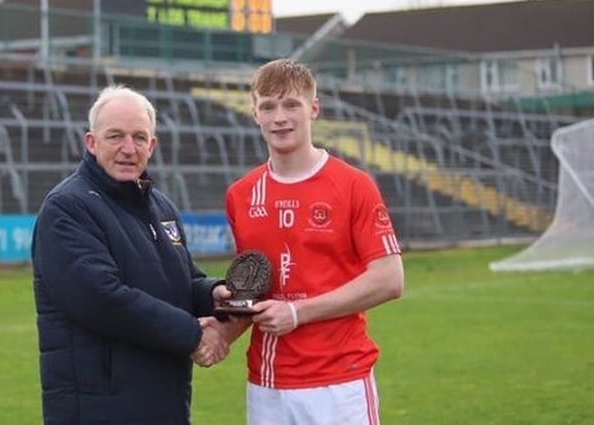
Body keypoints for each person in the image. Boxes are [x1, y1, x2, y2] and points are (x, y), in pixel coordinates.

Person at [31, 85, 231, 425]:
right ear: (91, 143)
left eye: (139, 137)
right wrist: (194, 335)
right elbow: (101, 299)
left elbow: (182, 281)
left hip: (163, 402)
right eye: (115, 136)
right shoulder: (67, 208)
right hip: (99, 410)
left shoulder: (159, 205)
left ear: (152, 146)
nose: (128, 148)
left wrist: (218, 295)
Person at [223, 58, 405, 425]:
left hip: (340, 382)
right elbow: (254, 292)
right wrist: (221, 332)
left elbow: (389, 279)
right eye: (268, 106)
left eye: (292, 104)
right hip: (267, 383)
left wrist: (298, 312)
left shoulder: (353, 185)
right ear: (255, 113)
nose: (280, 118)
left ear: (314, 109)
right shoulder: (241, 195)